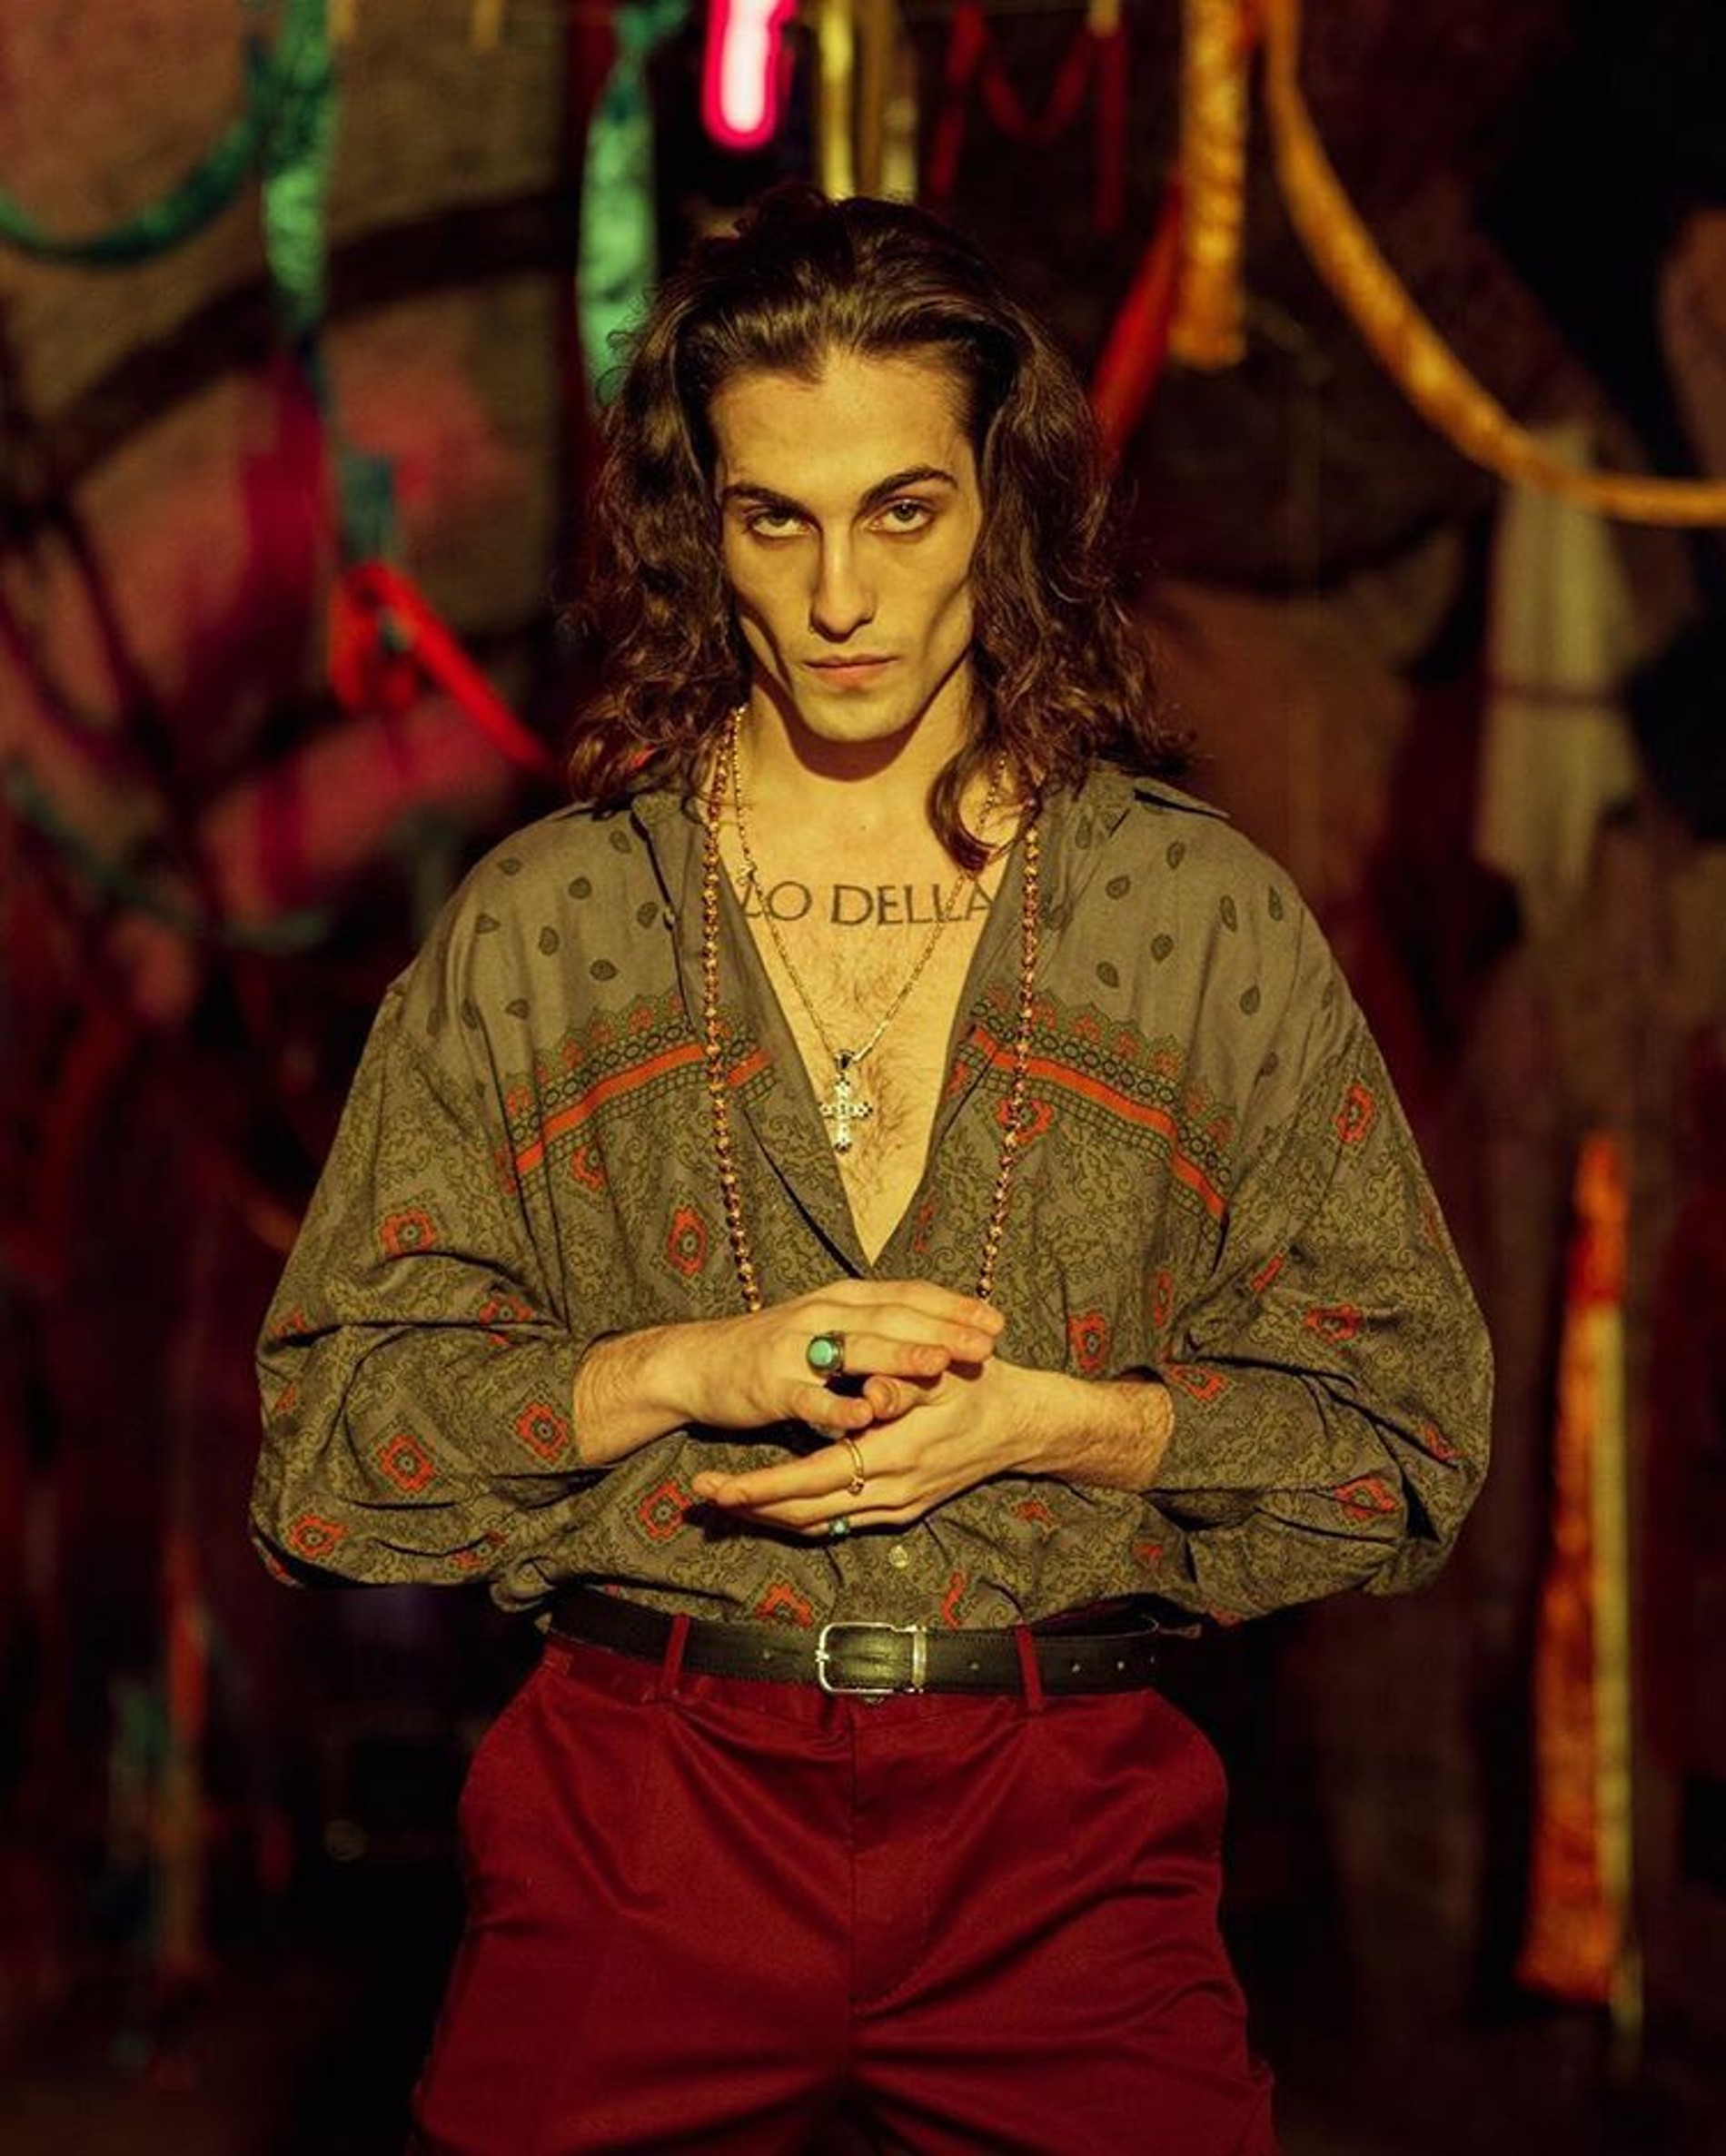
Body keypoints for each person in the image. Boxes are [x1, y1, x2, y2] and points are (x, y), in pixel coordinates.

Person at [252, 184, 1491, 2155]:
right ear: (702, 531)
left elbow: (1407, 1427)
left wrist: (1067, 1425)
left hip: (1062, 1822)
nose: (840, 594)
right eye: (778, 519)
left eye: (902, 511)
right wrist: (681, 1367)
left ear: (1002, 508)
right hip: (642, 1811)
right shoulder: (548, 929)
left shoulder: (1197, 923)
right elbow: (328, 1447)